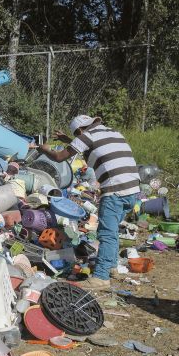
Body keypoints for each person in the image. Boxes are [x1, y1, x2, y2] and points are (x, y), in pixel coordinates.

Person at [37, 114, 140, 290]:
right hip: (132, 189)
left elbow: (59, 157)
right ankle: (111, 266)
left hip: (115, 189)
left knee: (106, 233)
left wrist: (44, 148)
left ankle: (101, 277)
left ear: (80, 130)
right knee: (113, 230)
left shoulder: (87, 136)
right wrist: (68, 140)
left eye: (76, 135)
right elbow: (91, 148)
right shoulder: (112, 132)